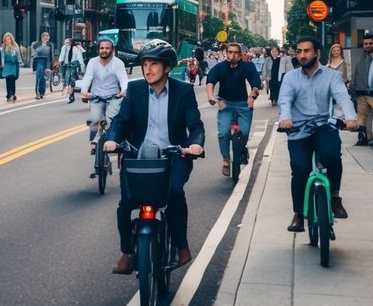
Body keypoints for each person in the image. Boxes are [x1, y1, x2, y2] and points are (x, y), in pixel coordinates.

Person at [103, 40, 205, 274]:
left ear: (167, 67)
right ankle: (127, 253)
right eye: (145, 64)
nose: (147, 69)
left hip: (175, 156)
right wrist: (112, 139)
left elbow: (195, 125)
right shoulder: (135, 90)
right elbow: (121, 121)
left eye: (154, 64)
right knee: (126, 203)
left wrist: (195, 145)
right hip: (139, 158)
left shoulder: (184, 91)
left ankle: (182, 247)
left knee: (174, 193)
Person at [278, 36, 358, 229]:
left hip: (323, 126)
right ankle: (298, 214)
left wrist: (350, 117)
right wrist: (285, 119)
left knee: (332, 157)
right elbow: (285, 100)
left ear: (317, 53)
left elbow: (342, 97)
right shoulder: (290, 77)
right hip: (297, 129)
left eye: (306, 51)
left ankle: (335, 198)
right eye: (299, 51)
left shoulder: (332, 76)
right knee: (300, 169)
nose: (302, 55)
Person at [205, 42, 262, 177]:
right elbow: (210, 82)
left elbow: (255, 83)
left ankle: (242, 150)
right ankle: (226, 159)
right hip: (226, 104)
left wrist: (252, 96)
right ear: (226, 53)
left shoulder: (247, 66)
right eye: (230, 52)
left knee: (244, 132)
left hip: (243, 104)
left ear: (241, 55)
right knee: (223, 133)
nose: (232, 55)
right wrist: (211, 97)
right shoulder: (220, 67)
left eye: (235, 52)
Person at [78, 38, 128, 149]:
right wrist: (84, 90)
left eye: (107, 48)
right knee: (94, 120)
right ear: (98, 50)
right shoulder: (92, 62)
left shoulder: (118, 63)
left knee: (111, 119)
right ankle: (93, 141)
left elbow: (123, 78)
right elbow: (88, 77)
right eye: (101, 48)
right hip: (96, 97)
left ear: (112, 50)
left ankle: (110, 141)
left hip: (113, 97)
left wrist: (124, 90)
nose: (104, 50)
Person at [351, 33, 373, 147]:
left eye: (370, 43)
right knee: (362, 116)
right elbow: (355, 72)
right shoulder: (360, 57)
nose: (368, 46)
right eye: (365, 44)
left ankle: (371, 138)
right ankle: (363, 138)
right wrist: (354, 87)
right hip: (361, 92)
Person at [59, 38, 86, 103]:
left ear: (71, 42)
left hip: (73, 66)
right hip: (66, 66)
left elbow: (80, 59)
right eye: (65, 42)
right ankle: (70, 94)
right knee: (66, 80)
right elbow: (61, 56)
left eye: (68, 42)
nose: (66, 44)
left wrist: (82, 69)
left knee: (71, 80)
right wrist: (59, 63)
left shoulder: (76, 48)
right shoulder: (64, 48)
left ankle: (71, 95)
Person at [31, 31, 55, 100]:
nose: (45, 37)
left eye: (47, 36)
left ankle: (42, 92)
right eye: (43, 36)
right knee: (39, 77)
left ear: (49, 37)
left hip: (47, 62)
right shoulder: (36, 44)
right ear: (41, 37)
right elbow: (34, 54)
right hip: (39, 61)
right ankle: (37, 93)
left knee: (44, 78)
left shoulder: (51, 44)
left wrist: (50, 66)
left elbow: (51, 55)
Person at [1, 32, 22, 102]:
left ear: (11, 40)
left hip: (14, 66)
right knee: (8, 79)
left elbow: (18, 56)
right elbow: (2, 57)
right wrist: (2, 64)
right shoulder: (3, 48)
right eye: (6, 40)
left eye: (9, 39)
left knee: (12, 80)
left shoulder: (15, 47)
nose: (7, 41)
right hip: (7, 65)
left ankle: (13, 94)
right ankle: (9, 95)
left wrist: (20, 62)